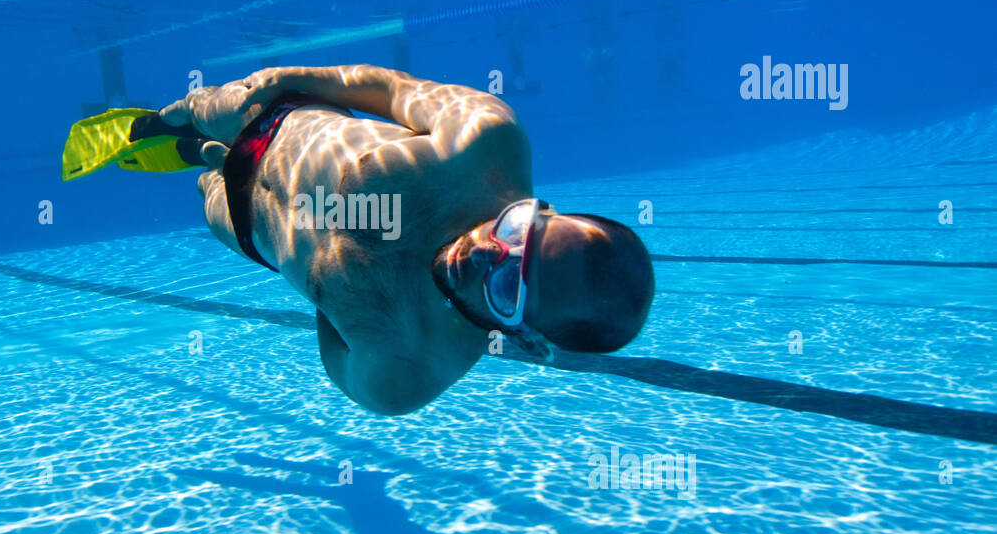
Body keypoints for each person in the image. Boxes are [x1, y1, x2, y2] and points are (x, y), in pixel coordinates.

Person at [158, 64, 655, 415]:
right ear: (543, 209)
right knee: (197, 107)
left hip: (245, 223)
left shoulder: (400, 375)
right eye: (516, 230)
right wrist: (294, 78)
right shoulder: (487, 141)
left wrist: (329, 279)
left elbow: (335, 343)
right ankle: (160, 123)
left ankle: (204, 161)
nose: (485, 251)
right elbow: (392, 89)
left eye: (508, 286)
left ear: (528, 340)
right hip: (272, 117)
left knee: (207, 182)